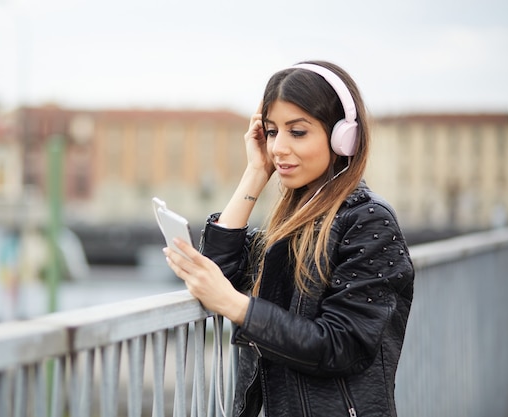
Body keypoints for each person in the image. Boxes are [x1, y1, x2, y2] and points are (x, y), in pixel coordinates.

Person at [163, 60, 415, 417]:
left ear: (344, 137)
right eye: (271, 132)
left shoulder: (368, 221)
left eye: (297, 132)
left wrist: (233, 305)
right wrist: (255, 172)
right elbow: (219, 272)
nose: (278, 147)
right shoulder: (293, 218)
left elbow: (341, 344)